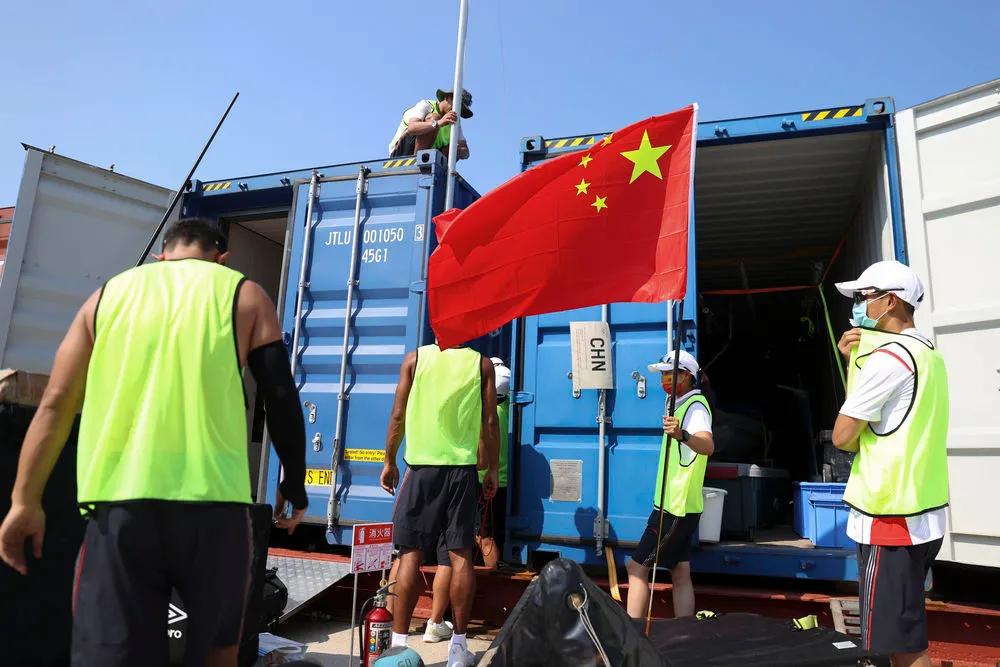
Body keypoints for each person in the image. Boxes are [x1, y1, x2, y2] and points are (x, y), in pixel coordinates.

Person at [0, 218, 308, 667]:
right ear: (221, 257)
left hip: (122, 508)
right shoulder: (244, 294)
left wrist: (24, 501)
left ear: (162, 254)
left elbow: (56, 403)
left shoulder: (105, 297)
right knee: (215, 655)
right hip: (216, 510)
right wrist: (294, 485)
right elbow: (279, 396)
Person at [832, 260, 949, 667]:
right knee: (903, 632)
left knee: (902, 645)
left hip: (889, 516)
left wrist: (857, 364)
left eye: (865, 297)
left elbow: (843, 436)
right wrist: (855, 360)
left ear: (892, 301)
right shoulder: (928, 353)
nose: (859, 307)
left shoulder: (889, 359)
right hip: (922, 511)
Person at [380, 344, 499, 667]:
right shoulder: (481, 365)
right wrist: (491, 469)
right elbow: (490, 421)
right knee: (460, 556)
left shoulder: (415, 359)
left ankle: (399, 646)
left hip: (421, 469)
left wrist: (389, 460)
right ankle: (458, 649)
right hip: (462, 471)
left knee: (410, 555)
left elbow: (398, 414)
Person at [417, 357, 512, 645]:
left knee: (476, 541)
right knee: (483, 538)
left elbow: (479, 453)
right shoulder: (505, 409)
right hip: (495, 481)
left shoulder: (483, 414)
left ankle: (468, 603)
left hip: (478, 481)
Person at [626, 350, 714, 620]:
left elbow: (707, 445)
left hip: (674, 507)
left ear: (687, 376)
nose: (664, 379)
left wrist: (682, 434)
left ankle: (631, 632)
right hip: (684, 505)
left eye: (670, 374)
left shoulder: (695, 407)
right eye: (662, 374)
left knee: (636, 568)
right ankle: (685, 632)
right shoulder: (679, 403)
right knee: (680, 570)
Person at [388, 88, 472, 159]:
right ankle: (417, 162)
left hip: (428, 157)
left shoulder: (454, 123)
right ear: (447, 97)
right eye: (457, 105)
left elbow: (464, 149)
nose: (457, 110)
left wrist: (461, 151)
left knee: (453, 148)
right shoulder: (426, 105)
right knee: (434, 118)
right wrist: (438, 123)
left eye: (461, 109)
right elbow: (412, 128)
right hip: (401, 152)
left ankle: (427, 164)